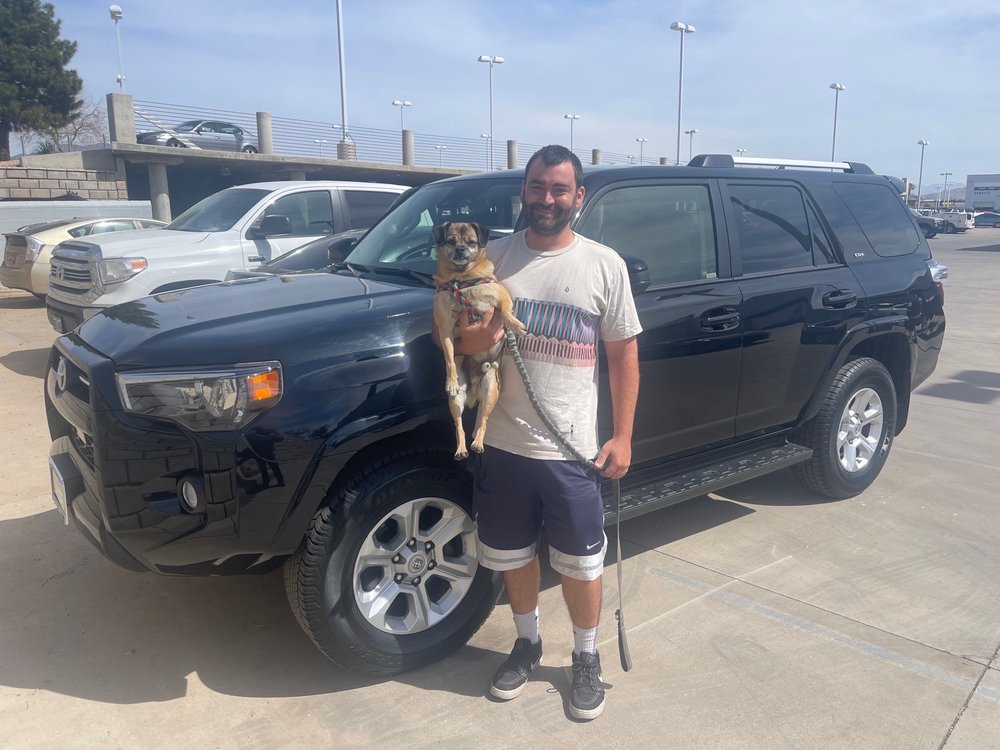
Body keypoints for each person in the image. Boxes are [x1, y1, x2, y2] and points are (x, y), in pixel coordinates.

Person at [452, 144, 641, 720]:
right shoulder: (494, 260)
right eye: (538, 186)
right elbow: (460, 341)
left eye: (559, 189)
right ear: (524, 192)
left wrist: (623, 436)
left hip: (572, 450)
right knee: (513, 558)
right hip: (503, 443)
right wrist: (481, 333)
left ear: (578, 197)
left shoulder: (603, 265)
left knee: (581, 564)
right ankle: (528, 643)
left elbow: (623, 356)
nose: (547, 198)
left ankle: (586, 657)